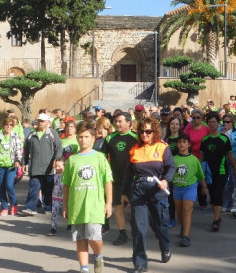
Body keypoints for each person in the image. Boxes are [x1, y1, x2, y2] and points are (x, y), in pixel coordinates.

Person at [121, 117, 175, 273]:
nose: (145, 134)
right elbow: (128, 174)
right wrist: (124, 193)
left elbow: (171, 167)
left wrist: (166, 180)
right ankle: (140, 263)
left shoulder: (163, 147)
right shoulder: (134, 149)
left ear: (154, 132)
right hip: (139, 192)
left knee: (160, 226)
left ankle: (165, 246)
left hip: (157, 191)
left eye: (148, 131)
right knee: (139, 228)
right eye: (142, 131)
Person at [63, 122, 113, 273]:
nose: (83, 140)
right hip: (77, 205)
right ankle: (84, 269)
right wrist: (65, 206)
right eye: (80, 137)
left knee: (94, 238)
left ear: (93, 138)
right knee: (81, 239)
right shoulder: (72, 160)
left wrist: (109, 202)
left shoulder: (100, 158)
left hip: (95, 205)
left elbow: (107, 181)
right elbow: (66, 185)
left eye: (86, 137)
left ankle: (98, 256)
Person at [102, 112, 138, 246]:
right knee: (118, 206)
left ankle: (137, 230)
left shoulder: (136, 137)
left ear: (129, 122)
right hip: (115, 179)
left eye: (120, 121)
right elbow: (103, 158)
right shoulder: (110, 138)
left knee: (135, 206)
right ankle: (122, 233)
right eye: (115, 121)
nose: (117, 124)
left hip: (133, 178)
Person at [200, 112, 236, 231]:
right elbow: (201, 158)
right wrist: (199, 172)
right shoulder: (205, 140)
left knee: (218, 193)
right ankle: (217, 216)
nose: (212, 124)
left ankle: (216, 220)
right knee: (212, 196)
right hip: (209, 172)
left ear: (218, 123)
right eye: (210, 122)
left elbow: (230, 155)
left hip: (222, 171)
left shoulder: (224, 139)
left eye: (214, 122)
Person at [21, 113, 63, 216]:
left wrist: (57, 159)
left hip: (48, 168)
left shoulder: (53, 134)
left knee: (48, 189)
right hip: (34, 167)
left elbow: (59, 148)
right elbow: (26, 150)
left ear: (47, 122)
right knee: (34, 187)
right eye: (38, 120)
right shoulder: (31, 135)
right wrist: (24, 163)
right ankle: (31, 208)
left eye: (42, 121)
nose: (40, 123)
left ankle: (48, 207)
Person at [172, 133, 207, 247]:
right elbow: (168, 174)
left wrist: (204, 186)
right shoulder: (173, 159)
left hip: (190, 188)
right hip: (177, 188)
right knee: (179, 212)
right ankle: (184, 226)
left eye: (184, 142)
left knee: (187, 210)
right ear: (177, 144)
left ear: (189, 144)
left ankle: (186, 236)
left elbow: (200, 175)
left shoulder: (194, 159)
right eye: (179, 142)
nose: (182, 144)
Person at [0, 117, 22, 216]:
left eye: (11, 125)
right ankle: (4, 207)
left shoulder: (15, 136)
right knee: (1, 186)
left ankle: (14, 204)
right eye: (7, 124)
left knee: (9, 185)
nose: (9, 126)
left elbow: (18, 150)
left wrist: (18, 160)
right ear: (3, 126)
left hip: (11, 165)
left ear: (13, 126)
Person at [183, 109, 211, 209]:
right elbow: (184, 141)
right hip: (192, 158)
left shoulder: (206, 129)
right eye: (193, 117)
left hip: (204, 158)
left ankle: (203, 201)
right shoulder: (188, 130)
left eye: (198, 117)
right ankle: (191, 199)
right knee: (192, 180)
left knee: (202, 179)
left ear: (201, 118)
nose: (195, 119)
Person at [221, 113, 236, 214]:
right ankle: (226, 203)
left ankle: (235, 204)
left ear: (232, 122)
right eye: (224, 121)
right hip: (224, 160)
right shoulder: (221, 132)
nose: (225, 124)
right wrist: (222, 133)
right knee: (225, 183)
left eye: (228, 122)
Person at [165, 116, 183, 227]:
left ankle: (182, 219)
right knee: (170, 197)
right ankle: (172, 218)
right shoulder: (166, 139)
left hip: (180, 170)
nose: (174, 126)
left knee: (179, 197)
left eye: (177, 124)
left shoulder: (182, 139)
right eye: (172, 124)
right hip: (169, 170)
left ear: (180, 126)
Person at [49, 157, 65, 236]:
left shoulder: (67, 175)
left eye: (59, 166)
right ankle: (53, 227)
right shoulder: (54, 175)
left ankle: (71, 224)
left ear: (64, 166)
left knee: (67, 212)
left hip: (66, 197)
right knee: (54, 212)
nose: (57, 168)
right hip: (55, 197)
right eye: (56, 166)